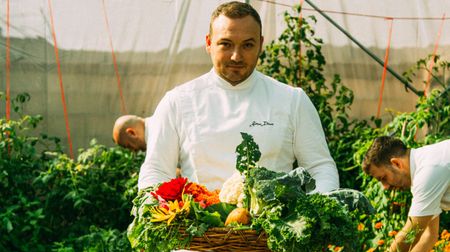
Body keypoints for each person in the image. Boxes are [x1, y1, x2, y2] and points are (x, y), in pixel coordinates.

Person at [138, 1, 339, 193]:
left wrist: (314, 214)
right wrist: (158, 211)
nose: (236, 56)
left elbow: (319, 168)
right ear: (209, 43)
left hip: (275, 226)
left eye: (247, 45)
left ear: (260, 44)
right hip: (199, 226)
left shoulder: (292, 100)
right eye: (225, 44)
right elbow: (156, 170)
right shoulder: (177, 102)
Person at [362, 136, 450, 252]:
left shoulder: (427, 172)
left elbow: (411, 233)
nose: (385, 187)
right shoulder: (422, 171)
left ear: (396, 163)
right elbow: (428, 236)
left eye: (383, 178)